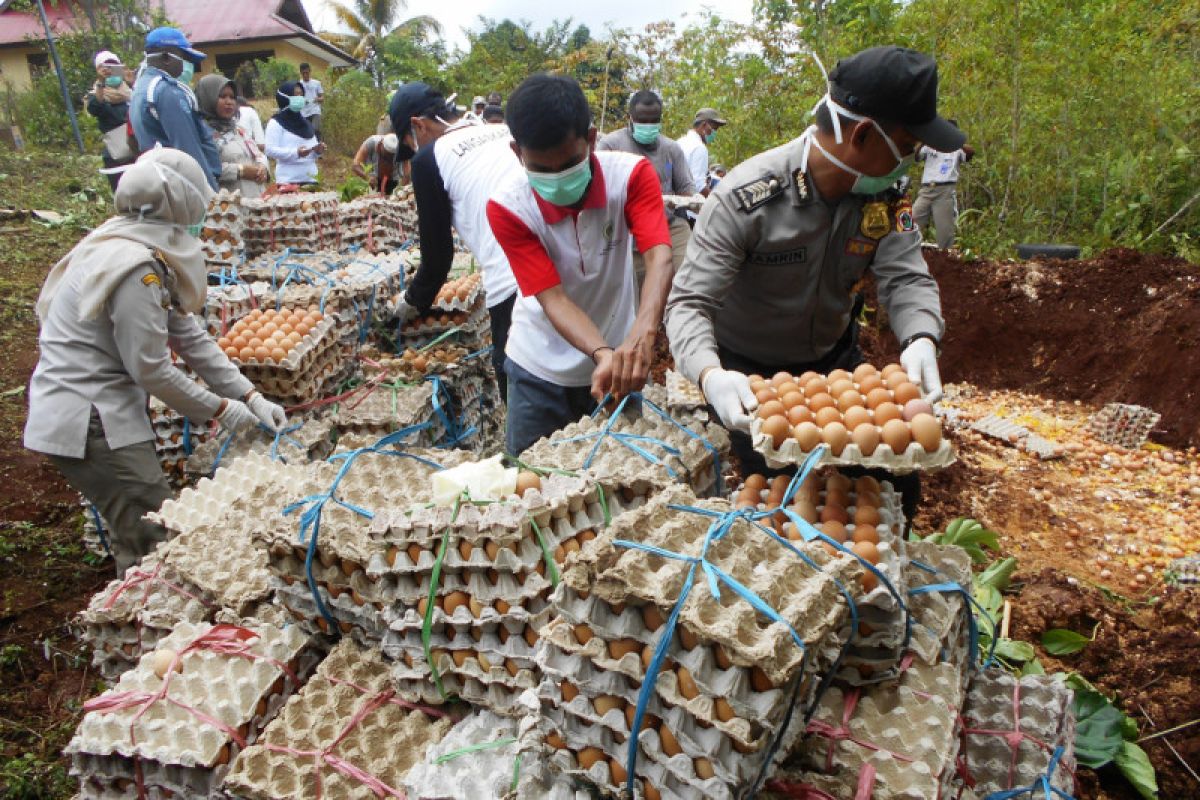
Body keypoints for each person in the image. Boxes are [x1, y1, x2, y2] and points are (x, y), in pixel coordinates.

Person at [665, 45, 962, 518]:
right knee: (779, 503)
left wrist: (921, 336)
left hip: (836, 363)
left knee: (888, 496)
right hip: (752, 378)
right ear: (864, 134)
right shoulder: (747, 198)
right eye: (906, 147)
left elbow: (906, 277)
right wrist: (710, 373)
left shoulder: (885, 199)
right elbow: (689, 304)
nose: (909, 159)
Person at [24, 148, 287, 574]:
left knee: (139, 527)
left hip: (94, 412)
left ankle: (137, 618)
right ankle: (144, 632)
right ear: (178, 202)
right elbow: (150, 368)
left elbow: (185, 333)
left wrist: (249, 394)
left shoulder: (123, 241)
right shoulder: (135, 265)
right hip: (91, 421)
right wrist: (220, 409)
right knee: (154, 534)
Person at [486, 74, 673, 454]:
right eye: (541, 168)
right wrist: (601, 353)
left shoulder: (631, 177)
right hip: (538, 371)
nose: (557, 179)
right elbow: (553, 298)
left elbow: (659, 255)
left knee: (623, 495)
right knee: (531, 490)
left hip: (619, 370)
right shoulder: (509, 207)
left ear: (591, 140)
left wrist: (642, 334)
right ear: (516, 152)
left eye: (569, 164)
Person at [388, 83, 523, 400]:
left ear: (418, 125)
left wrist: (411, 303)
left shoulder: (429, 159)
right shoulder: (503, 129)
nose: (415, 153)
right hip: (569, 261)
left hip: (514, 277)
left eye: (412, 143)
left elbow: (437, 259)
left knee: (522, 392)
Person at [597, 89, 696, 282]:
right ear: (631, 118)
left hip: (669, 225)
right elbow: (600, 190)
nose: (648, 125)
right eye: (642, 120)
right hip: (626, 232)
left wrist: (672, 200)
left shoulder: (671, 149)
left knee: (689, 278)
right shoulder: (610, 146)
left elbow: (687, 190)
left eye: (654, 120)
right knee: (636, 287)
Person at [128, 27, 221, 190]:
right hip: (184, 186)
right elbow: (187, 149)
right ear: (166, 58)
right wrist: (211, 192)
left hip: (161, 181)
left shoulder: (141, 88)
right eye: (183, 57)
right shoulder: (166, 91)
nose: (187, 65)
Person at [196, 75, 270, 198]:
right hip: (229, 208)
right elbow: (205, 167)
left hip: (257, 202)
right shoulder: (202, 134)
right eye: (222, 96)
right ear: (208, 98)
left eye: (232, 97)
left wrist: (262, 166)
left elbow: (258, 154)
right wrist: (241, 171)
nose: (229, 102)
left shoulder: (238, 130)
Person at [912, 123, 975, 249]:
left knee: (945, 230)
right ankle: (906, 250)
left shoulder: (957, 150)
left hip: (944, 191)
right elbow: (916, 155)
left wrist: (954, 141)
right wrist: (929, 139)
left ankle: (945, 256)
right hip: (926, 190)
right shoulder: (930, 146)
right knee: (912, 221)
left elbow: (971, 152)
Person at [86, 51, 135, 190]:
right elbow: (95, 108)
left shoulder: (130, 92)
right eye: (105, 67)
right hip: (116, 156)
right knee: (123, 194)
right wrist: (101, 83)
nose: (110, 70)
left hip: (137, 151)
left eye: (114, 66)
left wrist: (133, 82)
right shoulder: (97, 95)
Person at [265, 81, 325, 186]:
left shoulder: (306, 122)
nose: (300, 98)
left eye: (301, 94)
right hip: (288, 181)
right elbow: (270, 150)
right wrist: (296, 153)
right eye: (296, 94)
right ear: (285, 97)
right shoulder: (276, 123)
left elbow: (311, 151)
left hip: (311, 179)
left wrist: (317, 151)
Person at [677, 107, 726, 197]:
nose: (715, 133)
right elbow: (698, 185)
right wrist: (715, 201)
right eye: (714, 128)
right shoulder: (699, 148)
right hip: (690, 206)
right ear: (704, 125)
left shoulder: (680, 142)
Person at [298, 63, 324, 138]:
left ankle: (318, 145)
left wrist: (318, 99)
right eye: (303, 73)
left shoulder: (317, 83)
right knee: (307, 132)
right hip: (304, 112)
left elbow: (322, 98)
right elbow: (296, 98)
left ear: (310, 71)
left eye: (307, 73)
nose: (305, 75)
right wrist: (302, 100)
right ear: (300, 73)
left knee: (315, 129)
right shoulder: (298, 84)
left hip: (315, 110)